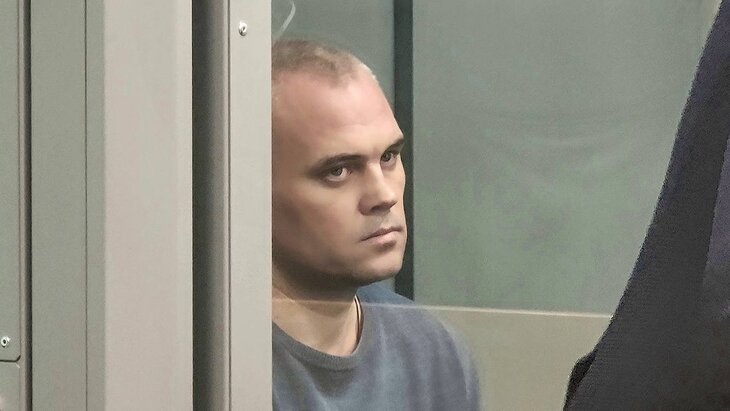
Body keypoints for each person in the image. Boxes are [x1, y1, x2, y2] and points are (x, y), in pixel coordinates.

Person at [270, 39, 481, 410]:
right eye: (338, 171)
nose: (384, 195)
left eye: (388, 157)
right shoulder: (209, 360)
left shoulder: (432, 353)